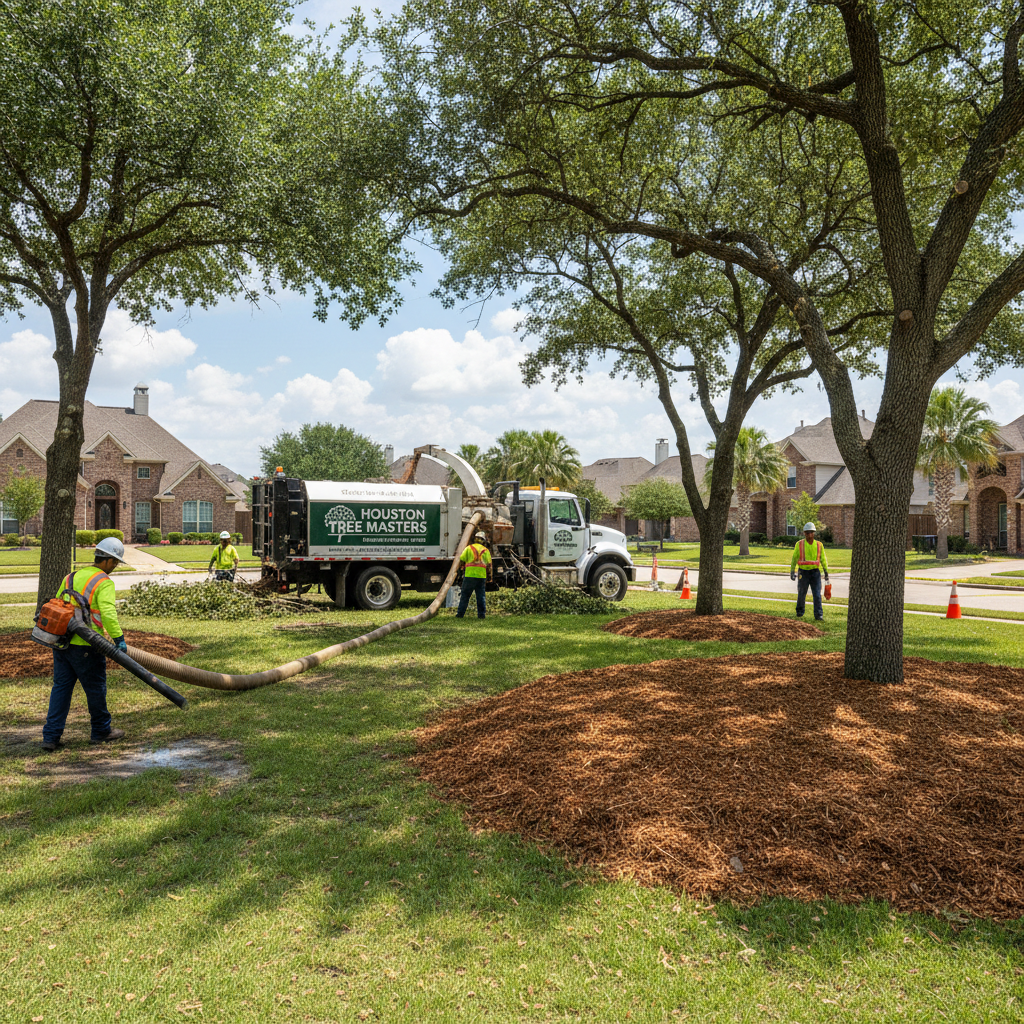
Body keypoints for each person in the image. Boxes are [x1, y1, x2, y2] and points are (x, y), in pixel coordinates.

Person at [42, 537, 129, 751]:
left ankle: (51, 737)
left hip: (62, 642)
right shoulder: (104, 582)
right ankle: (101, 731)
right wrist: (119, 639)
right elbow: (108, 614)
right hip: (87, 646)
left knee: (61, 688)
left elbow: (58, 603)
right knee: (95, 688)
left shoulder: (71, 577)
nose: (115, 567)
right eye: (115, 563)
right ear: (107, 560)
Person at [790, 522, 830, 621]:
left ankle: (818, 615)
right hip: (803, 573)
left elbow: (823, 559)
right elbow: (794, 558)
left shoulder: (819, 545)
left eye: (811, 532)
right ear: (804, 533)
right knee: (802, 593)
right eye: (807, 533)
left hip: (815, 573)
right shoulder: (799, 544)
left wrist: (826, 572)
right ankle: (799, 612)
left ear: (814, 533)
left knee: (817, 594)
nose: (810, 535)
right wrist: (792, 571)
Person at [456, 532, 492, 620]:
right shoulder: (486, 550)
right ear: (483, 541)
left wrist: (460, 569)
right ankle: (481, 615)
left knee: (465, 595)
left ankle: (460, 614)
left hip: (469, 575)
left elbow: (461, 559)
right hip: (481, 576)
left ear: (475, 539)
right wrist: (490, 576)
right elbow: (489, 565)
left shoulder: (469, 548)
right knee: (480, 596)